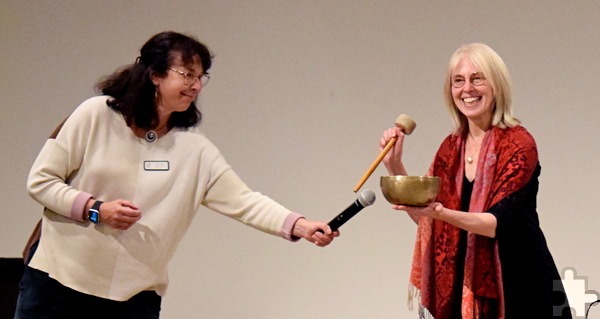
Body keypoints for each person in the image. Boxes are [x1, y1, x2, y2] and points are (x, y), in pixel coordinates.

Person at [15, 31, 339, 319]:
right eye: (187, 74)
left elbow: (245, 200)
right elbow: (41, 182)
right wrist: (96, 209)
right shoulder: (95, 115)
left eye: (201, 77)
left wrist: (300, 225)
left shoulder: (194, 149)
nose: (195, 85)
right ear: (155, 74)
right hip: (56, 287)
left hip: (132, 301)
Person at [379, 43, 571, 318]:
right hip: (464, 289)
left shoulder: (518, 144)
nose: (467, 89)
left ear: (497, 85)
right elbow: (432, 225)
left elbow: (496, 223)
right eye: (458, 81)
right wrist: (394, 164)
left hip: (522, 288)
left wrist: (440, 213)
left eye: (477, 78)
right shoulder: (450, 148)